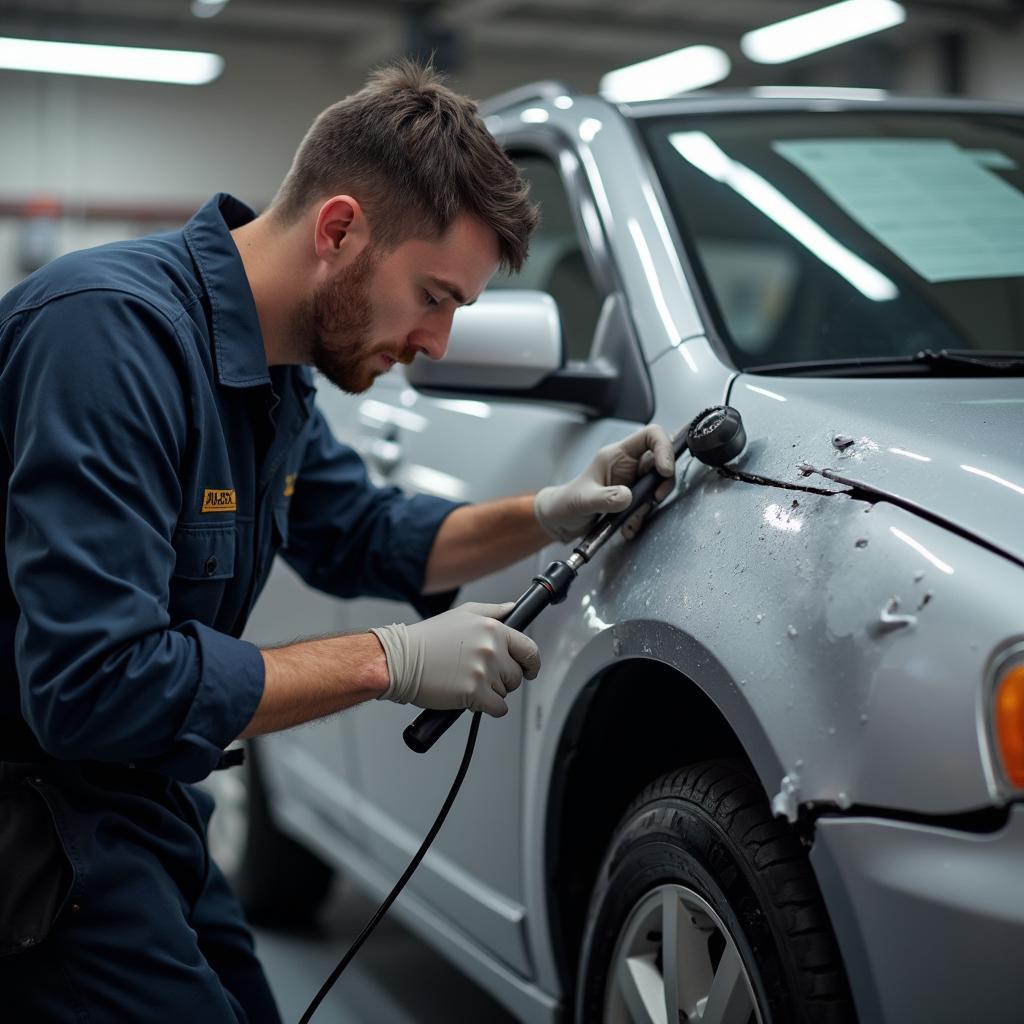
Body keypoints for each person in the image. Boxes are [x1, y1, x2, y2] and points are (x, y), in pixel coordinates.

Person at [0, 61, 675, 1022]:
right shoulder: (110, 337)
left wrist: (551, 509)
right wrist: (387, 661)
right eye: (433, 296)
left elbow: (362, 532)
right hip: (30, 812)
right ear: (340, 229)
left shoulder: (275, 374)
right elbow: (94, 686)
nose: (438, 342)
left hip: (136, 801)